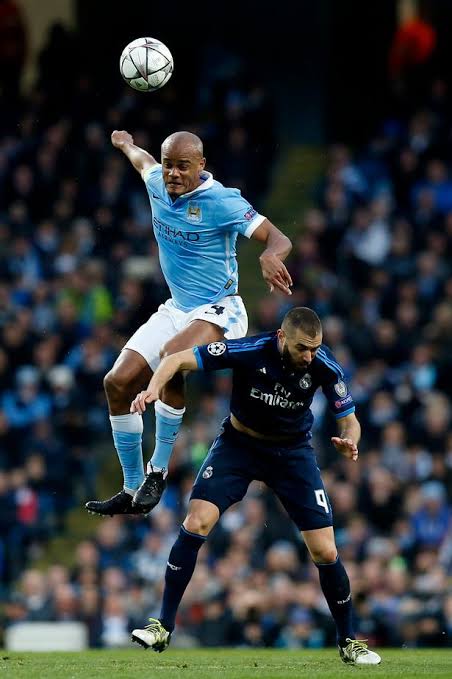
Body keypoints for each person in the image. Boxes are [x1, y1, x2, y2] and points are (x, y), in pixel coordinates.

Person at [128, 307, 381, 665]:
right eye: (302, 348)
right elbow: (176, 359)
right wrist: (153, 389)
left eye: (315, 348)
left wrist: (349, 440)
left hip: (291, 453)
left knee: (325, 550)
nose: (309, 356)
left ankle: (349, 642)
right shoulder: (249, 350)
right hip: (239, 445)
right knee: (196, 521)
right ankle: (162, 625)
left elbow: (350, 420)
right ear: (281, 337)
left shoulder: (325, 365)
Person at [86, 130, 292, 517]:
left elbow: (279, 238)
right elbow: (142, 162)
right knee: (115, 382)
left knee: (172, 355)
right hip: (177, 308)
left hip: (221, 309)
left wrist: (270, 255)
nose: (173, 174)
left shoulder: (223, 201)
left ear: (201, 165)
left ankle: (158, 471)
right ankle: (132, 490)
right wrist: (126, 144)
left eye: (183, 166)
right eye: (169, 165)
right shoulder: (156, 183)